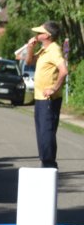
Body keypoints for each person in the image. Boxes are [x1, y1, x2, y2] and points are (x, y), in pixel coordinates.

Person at [24, 20, 68, 168]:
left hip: (49, 99)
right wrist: (30, 48)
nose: (36, 34)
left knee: (46, 132)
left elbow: (64, 71)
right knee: (41, 131)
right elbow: (29, 62)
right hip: (39, 97)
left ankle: (49, 164)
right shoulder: (44, 49)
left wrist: (53, 89)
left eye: (40, 32)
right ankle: (45, 162)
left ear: (47, 36)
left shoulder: (54, 50)